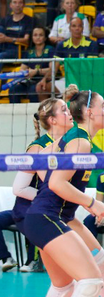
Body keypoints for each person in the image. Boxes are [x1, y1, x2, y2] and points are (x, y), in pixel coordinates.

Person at [23, 86, 104, 297]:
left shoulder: (75, 136)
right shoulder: (80, 141)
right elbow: (56, 184)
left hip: (57, 217)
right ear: (89, 112)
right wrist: (92, 204)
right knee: (90, 281)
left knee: (92, 269)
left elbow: (41, 159)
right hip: (47, 217)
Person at [8, 98, 74, 273]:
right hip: (30, 210)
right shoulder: (38, 148)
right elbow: (18, 188)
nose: (70, 113)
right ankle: (30, 261)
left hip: (55, 209)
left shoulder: (71, 142)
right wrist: (48, 196)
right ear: (52, 120)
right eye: (64, 110)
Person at [39, 17, 98, 97]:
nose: (77, 28)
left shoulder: (91, 44)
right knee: (41, 87)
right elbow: (54, 68)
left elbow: (91, 68)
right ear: (69, 28)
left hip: (85, 81)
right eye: (74, 26)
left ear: (83, 28)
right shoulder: (62, 45)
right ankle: (46, 109)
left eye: (79, 26)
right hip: (67, 80)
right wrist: (45, 79)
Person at [9, 27, 54, 103]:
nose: (38, 37)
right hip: (29, 80)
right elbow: (22, 69)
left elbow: (52, 69)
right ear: (32, 37)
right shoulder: (29, 51)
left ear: (45, 38)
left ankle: (36, 114)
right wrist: (24, 73)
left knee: (33, 90)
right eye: (35, 35)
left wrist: (36, 71)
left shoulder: (50, 50)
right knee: (13, 89)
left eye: (41, 35)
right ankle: (16, 113)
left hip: (45, 81)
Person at [0, 0, 34, 73]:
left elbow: (26, 40)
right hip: (3, 47)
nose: (17, 5)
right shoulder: (5, 20)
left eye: (20, 2)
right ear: (10, 5)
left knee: (0, 56)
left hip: (18, 50)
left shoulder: (29, 20)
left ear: (24, 5)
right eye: (15, 2)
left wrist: (7, 39)